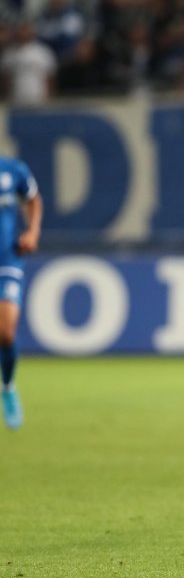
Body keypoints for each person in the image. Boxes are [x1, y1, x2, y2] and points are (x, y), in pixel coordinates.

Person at [0, 158, 42, 430]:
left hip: (7, 258)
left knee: (5, 331)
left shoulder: (12, 169)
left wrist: (33, 231)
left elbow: (34, 199)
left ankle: (8, 386)